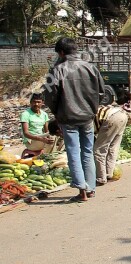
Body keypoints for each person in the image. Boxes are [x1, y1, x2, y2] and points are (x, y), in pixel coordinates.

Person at [42, 37, 104, 203]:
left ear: (61, 53)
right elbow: (101, 93)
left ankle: (81, 189)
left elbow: (49, 96)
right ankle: (90, 188)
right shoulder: (91, 68)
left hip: (67, 117)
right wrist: (92, 109)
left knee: (73, 152)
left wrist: (57, 112)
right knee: (87, 151)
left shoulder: (57, 70)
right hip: (87, 117)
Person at [94, 92, 130, 187]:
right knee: (113, 147)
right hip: (122, 115)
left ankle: (101, 178)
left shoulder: (84, 119)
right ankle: (109, 174)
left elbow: (93, 133)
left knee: (99, 150)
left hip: (111, 118)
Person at [20, 93, 54, 158]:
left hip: (41, 139)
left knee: (55, 135)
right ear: (30, 102)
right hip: (31, 141)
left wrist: (49, 138)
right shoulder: (25, 114)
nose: (36, 104)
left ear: (42, 103)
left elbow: (47, 131)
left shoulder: (44, 114)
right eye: (34, 102)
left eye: (38, 102)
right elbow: (26, 133)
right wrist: (42, 139)